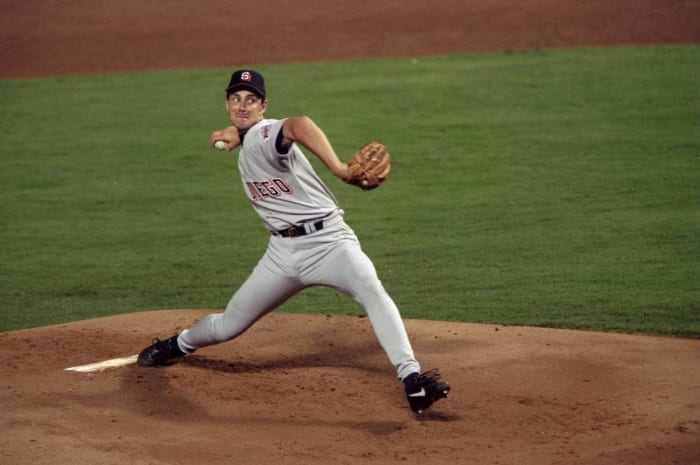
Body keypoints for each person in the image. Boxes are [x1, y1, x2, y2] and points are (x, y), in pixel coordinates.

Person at [136, 69, 450, 414]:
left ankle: (413, 380)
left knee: (371, 289)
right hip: (281, 255)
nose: (242, 105)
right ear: (226, 104)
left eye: (250, 100)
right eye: (236, 99)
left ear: (263, 105)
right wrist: (237, 133)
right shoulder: (252, 135)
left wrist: (340, 169)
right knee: (229, 325)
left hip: (331, 243)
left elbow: (298, 124)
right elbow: (252, 135)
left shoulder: (266, 133)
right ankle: (178, 345)